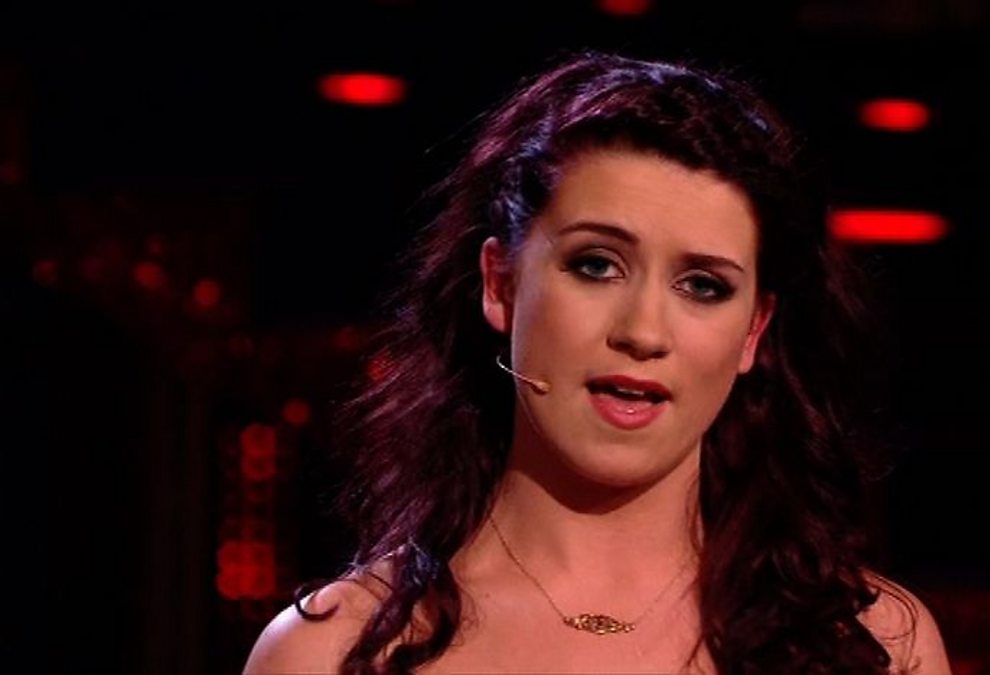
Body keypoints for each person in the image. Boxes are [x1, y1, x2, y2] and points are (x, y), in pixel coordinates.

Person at [244, 50, 951, 674]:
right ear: (500, 283)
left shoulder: (874, 644)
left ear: (753, 332)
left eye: (703, 285)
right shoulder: (333, 654)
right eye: (596, 265)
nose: (643, 332)